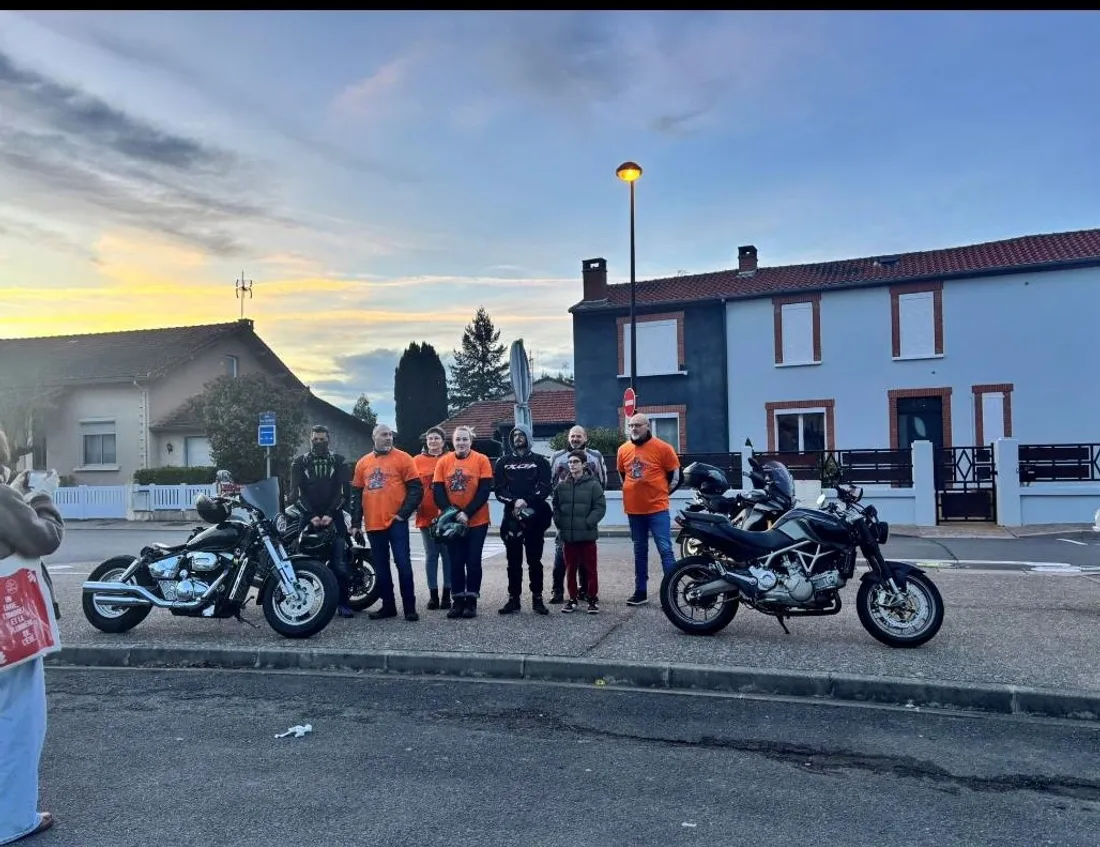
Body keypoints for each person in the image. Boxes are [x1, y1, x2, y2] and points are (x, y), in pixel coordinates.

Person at [0, 428, 64, 844]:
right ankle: (12, 820)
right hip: (9, 634)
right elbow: (44, 538)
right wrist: (41, 497)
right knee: (18, 724)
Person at [351, 424, 423, 622]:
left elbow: (416, 489)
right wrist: (356, 524)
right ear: (374, 437)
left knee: (403, 564)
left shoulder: (404, 458)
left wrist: (403, 514)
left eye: (391, 434)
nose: (389, 438)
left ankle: (410, 608)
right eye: (384, 435)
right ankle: (388, 606)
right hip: (373, 524)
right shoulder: (363, 463)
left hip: (396, 522)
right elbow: (356, 495)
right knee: (381, 568)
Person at [289, 425, 355, 617]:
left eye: (322, 439)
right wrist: (311, 515)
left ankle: (343, 603)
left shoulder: (339, 461)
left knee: (339, 562)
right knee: (303, 563)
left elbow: (344, 491)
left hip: (335, 518)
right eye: (315, 439)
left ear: (328, 440)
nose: (318, 442)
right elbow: (295, 493)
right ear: (310, 440)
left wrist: (330, 513)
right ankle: (303, 607)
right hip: (308, 519)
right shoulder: (299, 462)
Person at [616, 413, 682, 606]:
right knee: (639, 551)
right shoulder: (623, 450)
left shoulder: (664, 448)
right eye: (631, 425)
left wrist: (660, 494)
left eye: (638, 425)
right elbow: (623, 475)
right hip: (634, 511)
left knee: (665, 550)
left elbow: (676, 478)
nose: (634, 428)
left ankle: (671, 594)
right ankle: (640, 591)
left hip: (657, 510)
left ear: (647, 426)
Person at [432, 426, 494, 619]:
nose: (461, 443)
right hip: (452, 521)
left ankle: (471, 601)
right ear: (452, 442)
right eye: (458, 439)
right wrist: (454, 513)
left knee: (473, 561)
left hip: (477, 521)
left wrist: (467, 513)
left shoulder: (481, 460)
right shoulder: (443, 462)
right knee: (456, 561)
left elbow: (484, 490)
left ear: (471, 441)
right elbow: (438, 492)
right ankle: (457, 600)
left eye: (465, 439)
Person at [493, 423, 553, 615]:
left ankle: (537, 599)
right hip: (511, 518)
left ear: (528, 437)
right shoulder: (503, 462)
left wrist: (527, 501)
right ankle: (514, 599)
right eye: (515, 435)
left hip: (535, 518)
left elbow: (545, 487)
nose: (518, 438)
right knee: (513, 562)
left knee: (534, 561)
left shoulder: (541, 461)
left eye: (521, 434)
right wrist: (514, 501)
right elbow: (499, 490)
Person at [548, 425, 607, 604]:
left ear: (585, 438)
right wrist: (559, 517)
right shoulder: (557, 457)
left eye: (578, 436)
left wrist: (589, 517)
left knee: (585, 558)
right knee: (561, 556)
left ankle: (585, 591)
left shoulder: (595, 456)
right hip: (566, 518)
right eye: (572, 436)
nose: (575, 439)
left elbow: (602, 482)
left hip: (585, 516)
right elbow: (551, 483)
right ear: (568, 438)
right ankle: (557, 590)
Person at [413, 426, 451, 610]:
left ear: (443, 441)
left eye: (436, 438)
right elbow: (411, 487)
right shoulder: (416, 461)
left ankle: (447, 595)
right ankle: (433, 595)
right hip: (426, 515)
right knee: (431, 555)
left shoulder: (451, 458)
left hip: (448, 515)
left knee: (448, 555)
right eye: (430, 438)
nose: (433, 441)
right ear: (426, 442)